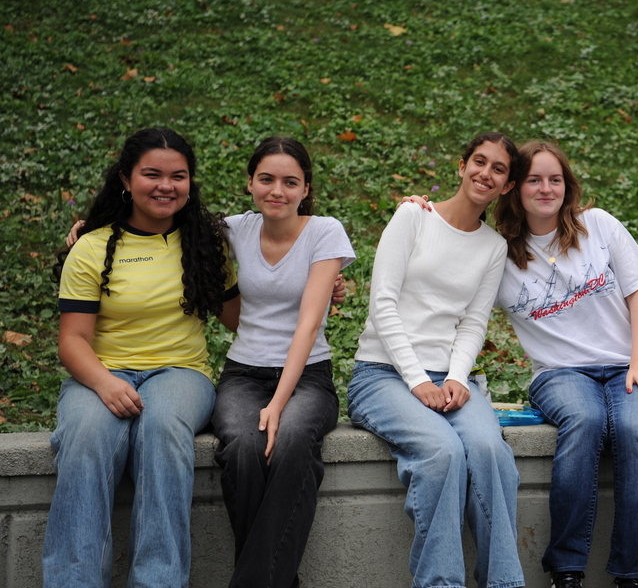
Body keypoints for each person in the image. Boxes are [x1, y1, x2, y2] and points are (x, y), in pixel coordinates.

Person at [45, 127, 238, 588]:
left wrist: (319, 283)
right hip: (102, 371)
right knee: (86, 434)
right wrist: (106, 383)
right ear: (126, 180)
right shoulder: (92, 248)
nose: (165, 185)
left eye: (178, 176)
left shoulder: (207, 243)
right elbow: (72, 339)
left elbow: (237, 320)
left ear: (190, 183)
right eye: (151, 174)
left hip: (181, 372)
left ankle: (159, 581)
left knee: (162, 425)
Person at [346, 133, 525, 588]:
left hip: (447, 377)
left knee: (489, 451)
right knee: (442, 451)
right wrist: (415, 380)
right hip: (383, 374)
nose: (486, 173)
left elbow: (473, 323)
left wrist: (458, 378)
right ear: (461, 166)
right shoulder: (413, 216)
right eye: (479, 162)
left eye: (498, 169)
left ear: (506, 186)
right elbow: (382, 303)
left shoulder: (493, 247)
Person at [493, 141, 638, 588]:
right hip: (559, 373)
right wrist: (419, 210)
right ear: (515, 187)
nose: (545, 188)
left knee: (632, 428)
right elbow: (446, 250)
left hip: (630, 364)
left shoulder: (598, 225)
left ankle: (631, 574)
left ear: (567, 185)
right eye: (534, 179)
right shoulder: (497, 253)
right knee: (586, 420)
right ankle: (567, 569)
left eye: (555, 179)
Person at [211, 137, 356, 588]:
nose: (278, 190)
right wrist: (90, 226)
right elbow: (159, 213)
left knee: (291, 439)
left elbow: (308, 326)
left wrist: (278, 402)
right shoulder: (231, 231)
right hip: (242, 373)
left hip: (310, 375)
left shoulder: (324, 232)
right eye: (267, 179)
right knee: (242, 445)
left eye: (290, 182)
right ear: (250, 183)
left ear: (306, 188)